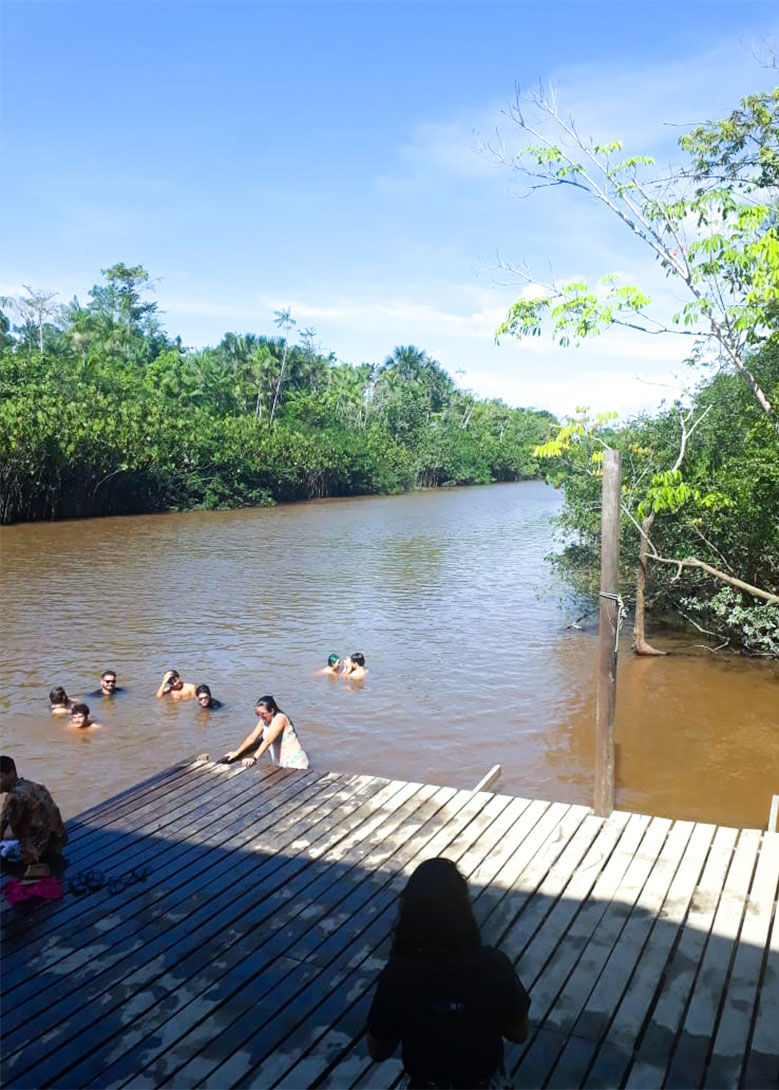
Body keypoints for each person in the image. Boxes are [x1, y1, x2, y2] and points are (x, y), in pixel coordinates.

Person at [366, 857, 530, 1089]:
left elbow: (378, 1050)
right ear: (463, 911)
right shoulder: (494, 965)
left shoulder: (399, 974)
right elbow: (519, 1033)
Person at [0, 755, 69, 878]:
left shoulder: (14, 797)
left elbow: (2, 828)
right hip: (57, 841)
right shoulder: (35, 786)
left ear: (11, 773)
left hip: (41, 851)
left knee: (5, 849)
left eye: (0, 777)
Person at [223, 695, 309, 770]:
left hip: (295, 762)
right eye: (258, 714)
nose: (261, 717)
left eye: (263, 714)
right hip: (280, 762)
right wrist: (236, 753)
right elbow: (252, 738)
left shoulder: (280, 719)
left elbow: (268, 740)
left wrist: (254, 758)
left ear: (272, 711)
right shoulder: (264, 720)